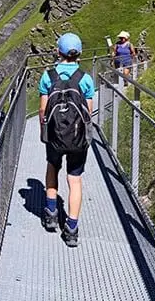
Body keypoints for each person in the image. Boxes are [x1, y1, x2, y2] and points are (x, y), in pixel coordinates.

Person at [38, 32, 95, 247]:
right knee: (75, 179)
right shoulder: (85, 78)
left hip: (54, 136)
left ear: (58, 51)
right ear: (79, 54)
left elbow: (43, 109)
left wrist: (45, 131)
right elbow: (88, 113)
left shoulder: (48, 76)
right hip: (78, 138)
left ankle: (51, 212)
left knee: (52, 167)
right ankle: (71, 228)